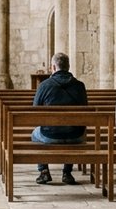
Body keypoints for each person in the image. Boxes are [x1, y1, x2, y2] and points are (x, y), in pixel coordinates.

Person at [31, 52, 88, 185]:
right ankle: (67, 172)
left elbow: (35, 110)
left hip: (49, 135)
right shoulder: (80, 86)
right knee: (74, 129)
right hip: (76, 135)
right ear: (68, 67)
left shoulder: (44, 85)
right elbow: (85, 109)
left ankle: (43, 171)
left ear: (53, 68)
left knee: (34, 134)